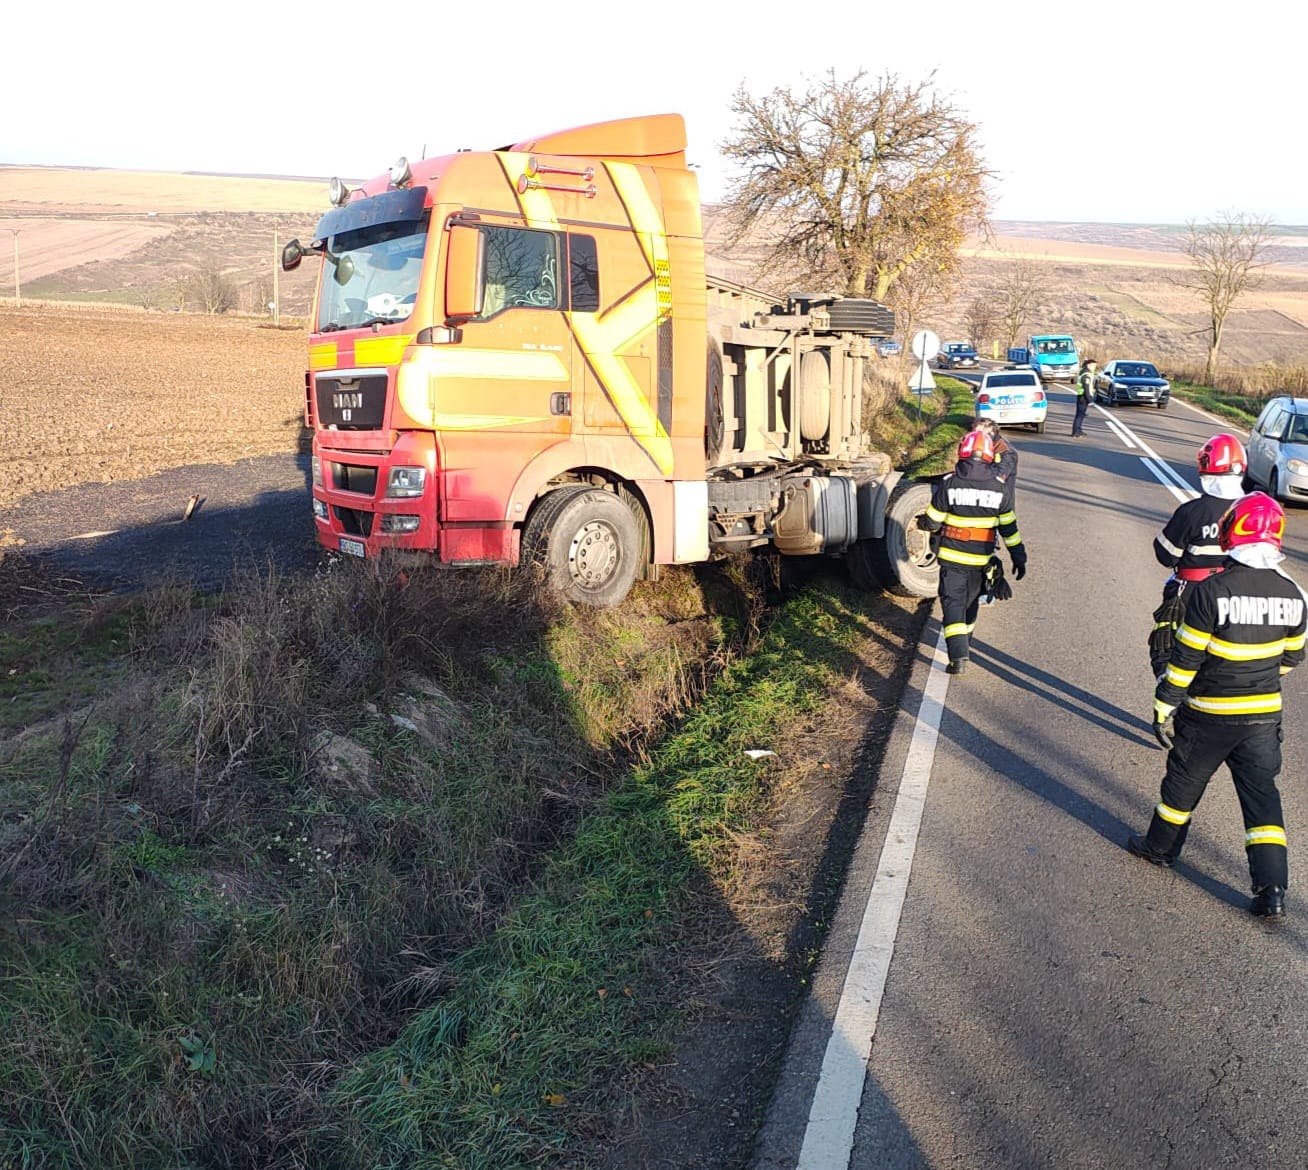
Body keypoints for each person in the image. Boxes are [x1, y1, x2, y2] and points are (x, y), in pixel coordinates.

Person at [1127, 491, 1306, 919]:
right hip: (1262, 717)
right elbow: (1292, 657)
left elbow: (1185, 661)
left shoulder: (1211, 592)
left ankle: (1159, 849)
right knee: (1262, 801)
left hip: (1208, 715)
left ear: (1234, 532)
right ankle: (1272, 891)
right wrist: (1258, 681)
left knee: (1181, 788)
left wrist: (1164, 705)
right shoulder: (1293, 595)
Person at [918, 428, 1028, 675]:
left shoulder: (950, 484)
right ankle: (965, 644)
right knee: (970, 603)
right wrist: (1019, 557)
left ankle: (958, 658)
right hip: (981, 562)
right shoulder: (999, 489)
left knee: (952, 605)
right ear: (989, 456)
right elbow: (1010, 530)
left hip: (952, 561)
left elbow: (933, 522)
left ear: (963, 453)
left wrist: (922, 523)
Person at [1148, 434, 1248, 679]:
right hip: (1240, 593)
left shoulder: (1192, 511)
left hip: (1192, 592)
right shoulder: (1253, 510)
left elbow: (1166, 555)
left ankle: (1171, 692)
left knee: (1169, 649)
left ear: (1205, 467)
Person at [972, 417, 1017, 483]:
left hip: (995, 488)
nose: (975, 438)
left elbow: (998, 479)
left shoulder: (1006, 453)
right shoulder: (979, 446)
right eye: (974, 434)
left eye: (979, 434)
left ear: (991, 434)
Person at [1073, 360, 1095, 436]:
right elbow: (1086, 388)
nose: (1094, 367)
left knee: (1081, 415)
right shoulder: (1086, 375)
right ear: (1088, 365)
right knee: (1079, 415)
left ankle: (1079, 430)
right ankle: (1076, 431)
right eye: (1093, 366)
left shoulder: (1085, 372)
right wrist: (1090, 400)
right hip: (1083, 397)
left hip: (1082, 396)